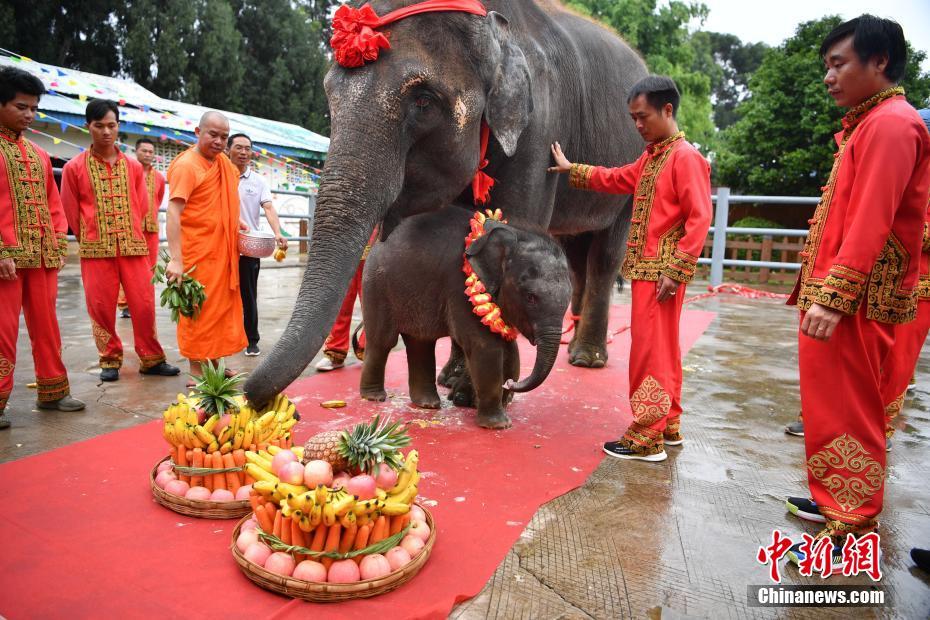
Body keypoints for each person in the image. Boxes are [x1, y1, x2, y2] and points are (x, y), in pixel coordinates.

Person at [782, 15, 930, 569]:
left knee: (852, 411)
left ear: (880, 62)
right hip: (848, 295)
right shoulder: (869, 124)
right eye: (827, 65)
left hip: (858, 300)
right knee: (830, 407)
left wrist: (834, 296)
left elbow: (871, 220)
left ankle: (851, 526)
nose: (828, 76)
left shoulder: (891, 125)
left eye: (838, 63)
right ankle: (834, 502)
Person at [549, 75, 712, 462]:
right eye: (633, 118)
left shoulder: (685, 157)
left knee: (649, 354)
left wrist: (677, 268)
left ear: (667, 110)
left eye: (643, 117)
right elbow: (618, 178)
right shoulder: (654, 157)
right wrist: (574, 170)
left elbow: (700, 217)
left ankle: (645, 437)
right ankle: (668, 424)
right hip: (650, 272)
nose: (637, 125)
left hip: (661, 275)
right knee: (664, 350)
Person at [61, 99, 179, 382]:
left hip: (134, 247)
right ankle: (109, 359)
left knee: (143, 303)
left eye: (111, 125)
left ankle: (151, 358)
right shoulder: (74, 168)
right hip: (96, 249)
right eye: (99, 125)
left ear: (118, 127)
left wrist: (131, 232)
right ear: (88, 126)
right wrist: (90, 236)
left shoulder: (134, 167)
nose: (105, 131)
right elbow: (70, 209)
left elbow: (141, 205)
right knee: (100, 306)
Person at [0, 66, 85, 428]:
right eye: (22, 106)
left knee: (48, 325)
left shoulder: (38, 154)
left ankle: (53, 391)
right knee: (2, 330)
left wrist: (57, 243)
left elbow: (54, 205)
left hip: (41, 256)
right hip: (5, 260)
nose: (30, 115)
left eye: (34, 108)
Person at [165, 111, 248, 378]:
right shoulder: (187, 165)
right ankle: (197, 372)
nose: (219, 141)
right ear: (198, 132)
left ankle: (214, 365)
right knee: (199, 313)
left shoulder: (223, 163)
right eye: (212, 134)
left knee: (220, 311)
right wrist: (176, 259)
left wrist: (236, 223)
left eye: (224, 136)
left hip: (222, 253)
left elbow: (223, 205)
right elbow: (173, 213)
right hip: (197, 253)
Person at [227, 133, 287, 357]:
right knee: (221, 294)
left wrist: (278, 233)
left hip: (247, 247)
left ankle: (251, 339)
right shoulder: (219, 175)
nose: (243, 152)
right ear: (228, 149)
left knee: (248, 294)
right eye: (239, 148)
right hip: (221, 245)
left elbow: (269, 208)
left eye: (248, 148)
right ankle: (224, 338)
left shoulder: (258, 181)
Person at [315, 228, 377, 371]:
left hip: (374, 247)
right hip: (346, 247)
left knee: (372, 305)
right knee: (340, 304)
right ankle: (335, 352)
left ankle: (370, 351)